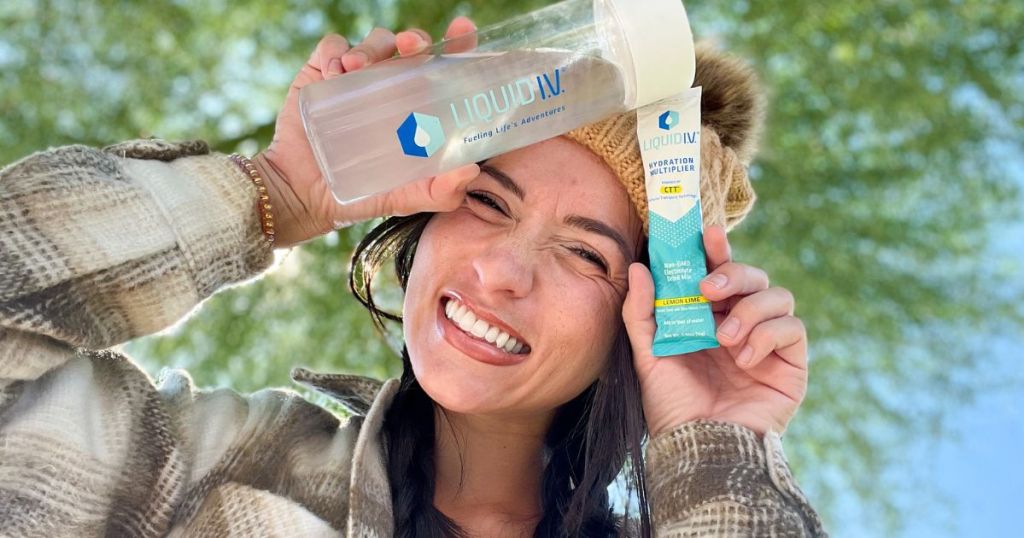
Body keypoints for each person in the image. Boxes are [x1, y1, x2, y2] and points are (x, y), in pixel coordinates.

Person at [0, 15, 827, 538]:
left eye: (587, 254)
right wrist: (273, 194)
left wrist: (718, 442)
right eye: (489, 203)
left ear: (645, 315)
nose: (502, 270)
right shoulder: (213, 466)